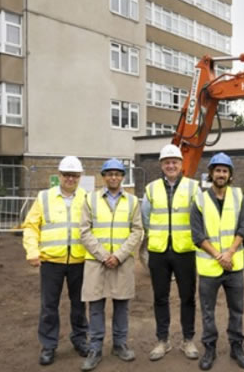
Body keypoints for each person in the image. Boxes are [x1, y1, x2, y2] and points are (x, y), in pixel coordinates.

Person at [22, 155, 89, 366]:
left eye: (75, 175)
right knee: (49, 306)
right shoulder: (44, 197)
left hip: (80, 260)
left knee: (79, 305)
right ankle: (49, 345)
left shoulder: (87, 198)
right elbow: (31, 226)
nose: (70, 179)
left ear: (80, 177)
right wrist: (32, 251)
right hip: (51, 261)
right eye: (67, 175)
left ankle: (80, 340)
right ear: (59, 175)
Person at [79, 158, 144, 371]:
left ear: (123, 177)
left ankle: (119, 344)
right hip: (97, 263)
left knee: (121, 306)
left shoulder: (133, 201)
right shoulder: (91, 199)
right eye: (109, 173)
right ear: (103, 177)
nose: (113, 177)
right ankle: (95, 348)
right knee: (96, 306)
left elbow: (137, 231)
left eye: (117, 173)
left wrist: (119, 255)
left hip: (122, 263)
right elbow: (84, 231)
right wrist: (104, 255)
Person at [190, 152, 244, 371]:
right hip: (209, 267)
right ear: (211, 173)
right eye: (217, 170)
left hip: (234, 265)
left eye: (225, 171)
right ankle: (210, 348)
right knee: (208, 311)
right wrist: (219, 256)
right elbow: (197, 235)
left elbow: (243, 228)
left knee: (237, 309)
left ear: (230, 174)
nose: (221, 174)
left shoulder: (238, 197)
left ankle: (237, 346)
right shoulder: (199, 199)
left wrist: (230, 253)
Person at [142, 144, 200, 361]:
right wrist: (159, 236)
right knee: (160, 297)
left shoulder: (193, 188)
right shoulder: (151, 189)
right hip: (158, 251)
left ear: (181, 164)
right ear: (161, 165)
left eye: (174, 161)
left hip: (184, 250)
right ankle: (162, 340)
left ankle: (188, 339)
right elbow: (146, 218)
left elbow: (198, 218)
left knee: (188, 297)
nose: (171, 165)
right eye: (167, 162)